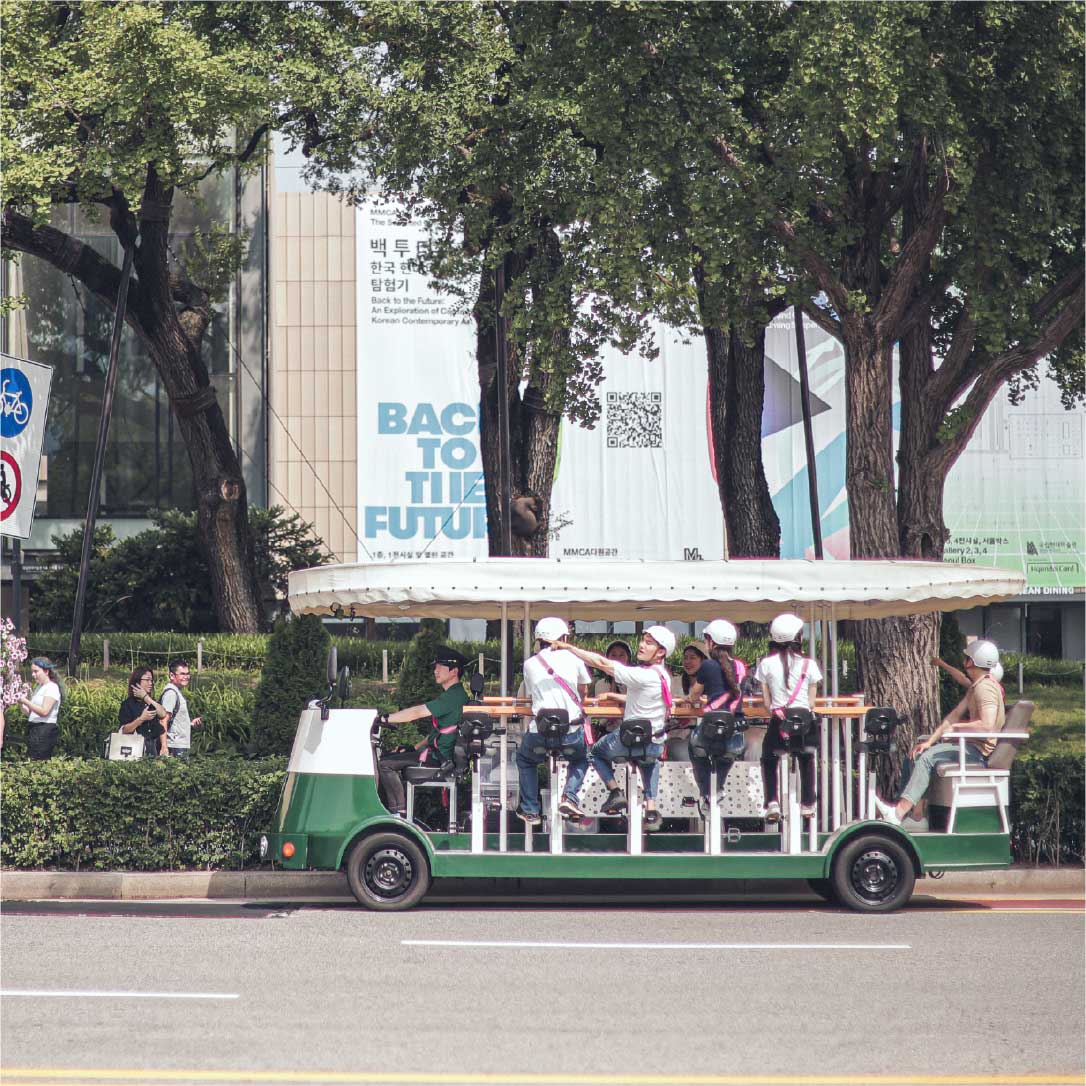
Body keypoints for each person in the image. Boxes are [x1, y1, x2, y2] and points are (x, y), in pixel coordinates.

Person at [554, 625, 676, 830]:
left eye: (648, 642)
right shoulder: (662, 675)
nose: (642, 645)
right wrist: (613, 696)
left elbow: (601, 662)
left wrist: (568, 647)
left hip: (628, 741)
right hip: (654, 742)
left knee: (594, 753)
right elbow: (637, 696)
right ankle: (651, 807)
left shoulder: (641, 675)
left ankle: (615, 791)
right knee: (650, 761)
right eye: (643, 640)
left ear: (661, 651)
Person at [874, 640, 1005, 827]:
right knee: (916, 754)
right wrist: (930, 741)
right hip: (967, 746)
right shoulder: (977, 686)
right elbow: (953, 716)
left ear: (972, 661)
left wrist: (958, 728)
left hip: (976, 752)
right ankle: (916, 817)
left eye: (967, 657)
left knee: (926, 759)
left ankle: (897, 813)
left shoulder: (985, 688)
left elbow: (987, 725)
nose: (964, 659)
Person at [514, 617, 592, 826]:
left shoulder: (530, 664)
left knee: (525, 760)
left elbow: (532, 694)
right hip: (571, 733)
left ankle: (531, 810)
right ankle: (569, 797)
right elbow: (583, 691)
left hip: (540, 733)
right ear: (563, 637)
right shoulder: (575, 659)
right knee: (582, 758)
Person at [376, 646, 470, 818]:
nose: (435, 671)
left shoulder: (452, 696)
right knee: (390, 757)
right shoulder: (455, 694)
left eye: (439, 667)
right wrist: (413, 747)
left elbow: (416, 713)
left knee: (384, 764)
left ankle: (397, 814)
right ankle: (396, 810)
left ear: (454, 671)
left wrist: (385, 719)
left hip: (438, 758)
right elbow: (439, 732)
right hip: (439, 754)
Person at [754, 613, 823, 824]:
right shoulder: (809, 664)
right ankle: (808, 804)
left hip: (779, 720)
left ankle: (772, 802)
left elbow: (768, 703)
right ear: (798, 638)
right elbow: (811, 702)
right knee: (807, 758)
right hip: (804, 720)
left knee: (769, 758)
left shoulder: (766, 664)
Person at [17, 657, 64, 760]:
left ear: (46, 671)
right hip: (33, 728)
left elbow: (44, 712)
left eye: (36, 671)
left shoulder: (52, 688)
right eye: (32, 672)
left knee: (38, 762)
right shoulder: (39, 688)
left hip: (44, 730)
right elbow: (29, 713)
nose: (33, 675)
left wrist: (26, 701)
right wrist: (21, 701)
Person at [118, 666, 170, 757]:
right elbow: (124, 730)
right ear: (137, 682)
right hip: (135, 749)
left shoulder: (150, 701)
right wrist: (141, 719)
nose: (150, 683)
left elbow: (162, 714)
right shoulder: (128, 704)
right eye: (147, 680)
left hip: (153, 749)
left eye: (151, 680)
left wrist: (146, 697)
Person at [159, 658, 203, 758]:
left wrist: (190, 724)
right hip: (174, 745)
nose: (186, 677)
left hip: (179, 744)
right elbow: (163, 720)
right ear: (171, 675)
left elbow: (174, 720)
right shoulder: (171, 693)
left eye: (188, 674)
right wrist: (164, 746)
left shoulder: (177, 692)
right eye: (182, 674)